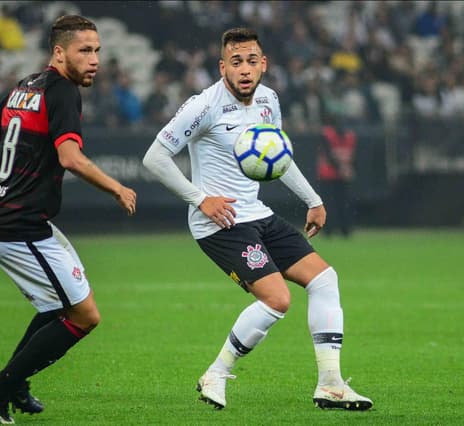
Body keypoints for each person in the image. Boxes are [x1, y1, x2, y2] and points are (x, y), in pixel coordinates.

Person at [143, 27, 372, 411]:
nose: (245, 70)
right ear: (222, 67)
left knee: (324, 280)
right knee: (278, 299)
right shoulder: (204, 105)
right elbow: (154, 158)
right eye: (236, 62)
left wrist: (312, 199)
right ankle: (216, 373)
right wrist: (201, 200)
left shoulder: (268, 100)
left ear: (263, 64)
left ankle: (331, 383)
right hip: (220, 222)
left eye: (252, 61)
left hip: (257, 214)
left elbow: (277, 156)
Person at [0, 15, 137, 424]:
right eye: (84, 51)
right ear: (59, 52)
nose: (94, 60)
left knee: (60, 307)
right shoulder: (63, 92)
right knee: (85, 315)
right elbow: (69, 158)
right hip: (17, 225)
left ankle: (13, 384)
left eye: (97, 51)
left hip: (2, 216)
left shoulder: (24, 87)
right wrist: (117, 188)